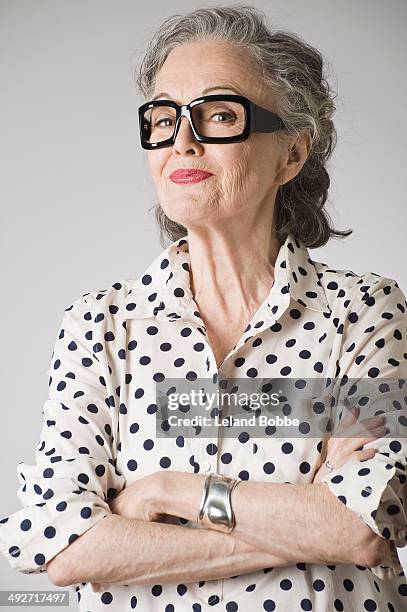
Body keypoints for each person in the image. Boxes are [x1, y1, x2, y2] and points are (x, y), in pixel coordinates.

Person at [1, 5, 406, 611]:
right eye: (164, 119)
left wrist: (167, 493)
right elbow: (63, 546)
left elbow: (360, 526)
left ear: (292, 154)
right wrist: (306, 519)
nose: (182, 140)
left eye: (220, 115)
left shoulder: (368, 311)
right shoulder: (99, 324)